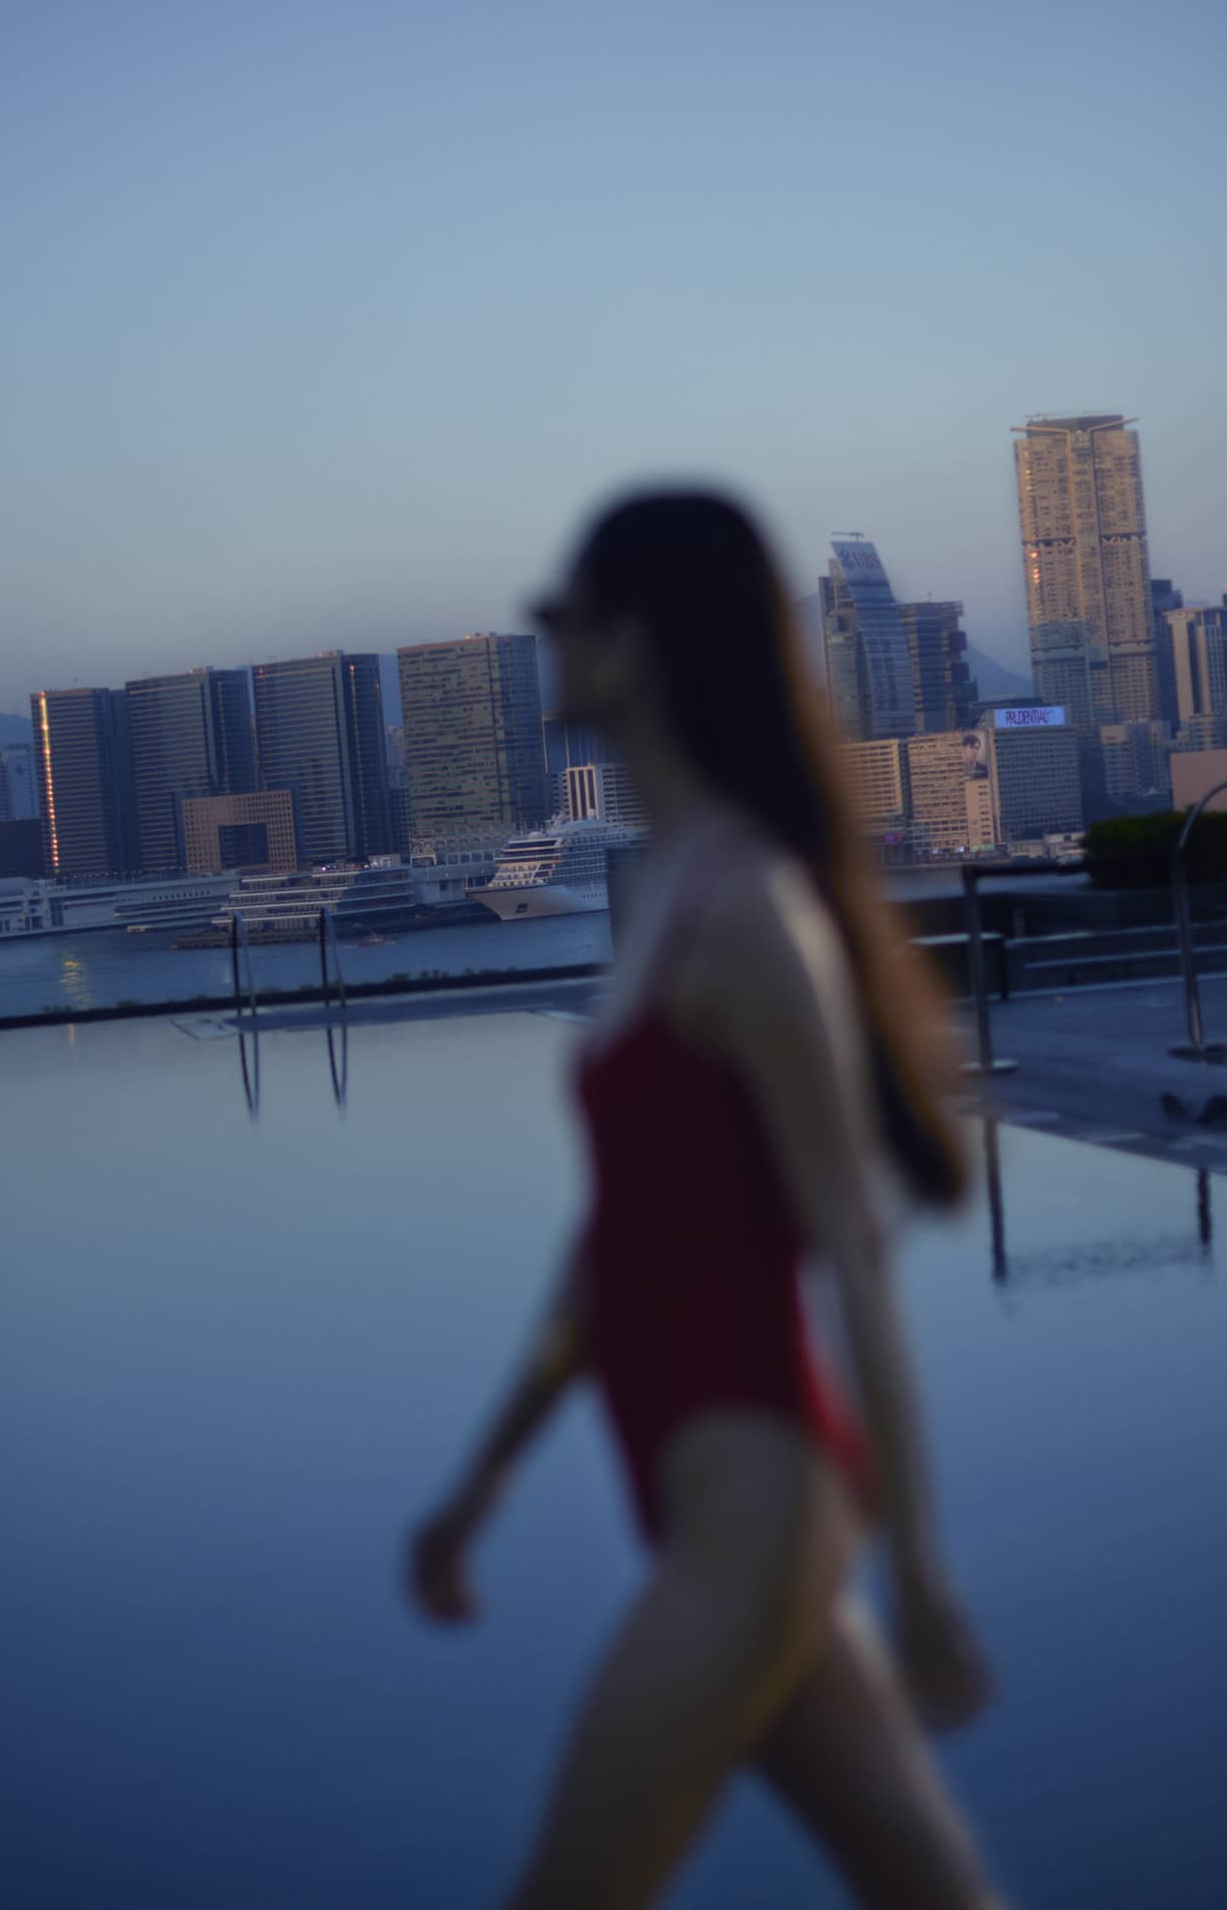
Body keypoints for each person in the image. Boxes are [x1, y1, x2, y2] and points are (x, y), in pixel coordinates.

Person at [408, 490, 1002, 1909]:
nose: (537, 632)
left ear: (642, 641)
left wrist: (918, 1574)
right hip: (703, 1506)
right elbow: (602, 1259)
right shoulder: (667, 884)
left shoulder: (745, 906)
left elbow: (850, 1253)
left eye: (565, 610)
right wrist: (480, 1483)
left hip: (758, 1509)